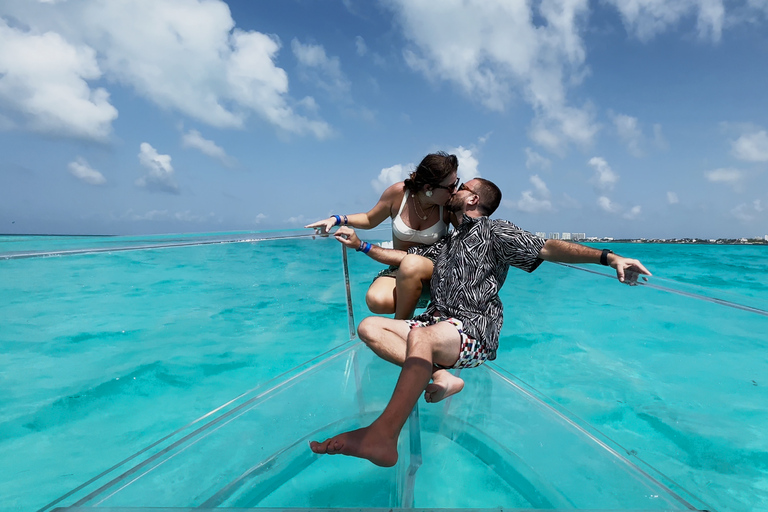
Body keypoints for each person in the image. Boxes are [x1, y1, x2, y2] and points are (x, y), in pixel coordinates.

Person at [310, 178, 651, 467]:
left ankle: (382, 437)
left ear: (473, 199)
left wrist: (610, 257)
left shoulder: (494, 231)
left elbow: (547, 248)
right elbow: (404, 258)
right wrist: (361, 244)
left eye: (462, 187)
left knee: (424, 339)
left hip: (473, 329)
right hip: (435, 323)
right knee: (369, 327)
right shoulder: (448, 241)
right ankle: (439, 375)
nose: (454, 190)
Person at [305, 152, 459, 319]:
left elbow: (468, 238)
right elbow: (369, 219)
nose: (455, 191)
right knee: (376, 300)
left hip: (433, 274)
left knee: (411, 264)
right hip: (399, 269)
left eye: (456, 184)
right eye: (451, 186)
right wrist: (337, 219)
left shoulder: (449, 205)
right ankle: (411, 304)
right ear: (429, 188)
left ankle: (400, 329)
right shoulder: (398, 194)